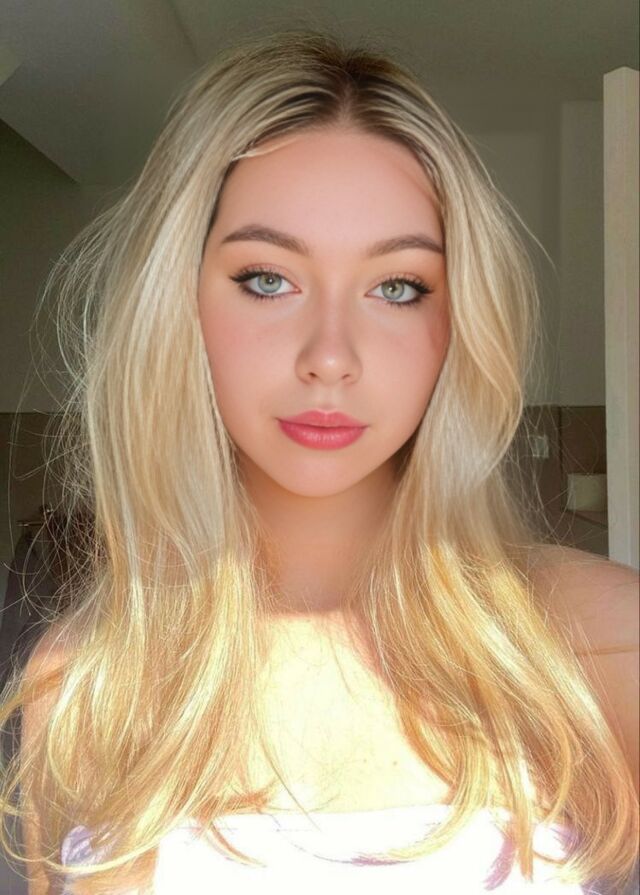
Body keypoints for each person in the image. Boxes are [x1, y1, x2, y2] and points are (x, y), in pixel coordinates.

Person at [0, 28, 637, 895]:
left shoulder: (605, 641)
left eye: (398, 286)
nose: (330, 356)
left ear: (459, 320)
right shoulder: (84, 680)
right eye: (267, 278)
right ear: (178, 302)